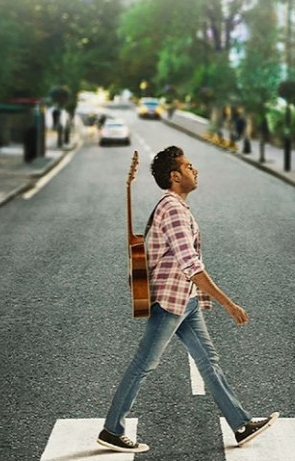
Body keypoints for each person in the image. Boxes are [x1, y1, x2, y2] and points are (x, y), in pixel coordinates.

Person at [97, 146, 278, 454]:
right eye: (188, 166)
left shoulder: (176, 207)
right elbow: (190, 264)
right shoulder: (173, 210)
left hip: (186, 299)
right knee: (144, 364)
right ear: (174, 176)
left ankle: (241, 425)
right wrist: (228, 303)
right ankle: (112, 429)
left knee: (209, 362)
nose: (195, 170)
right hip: (170, 300)